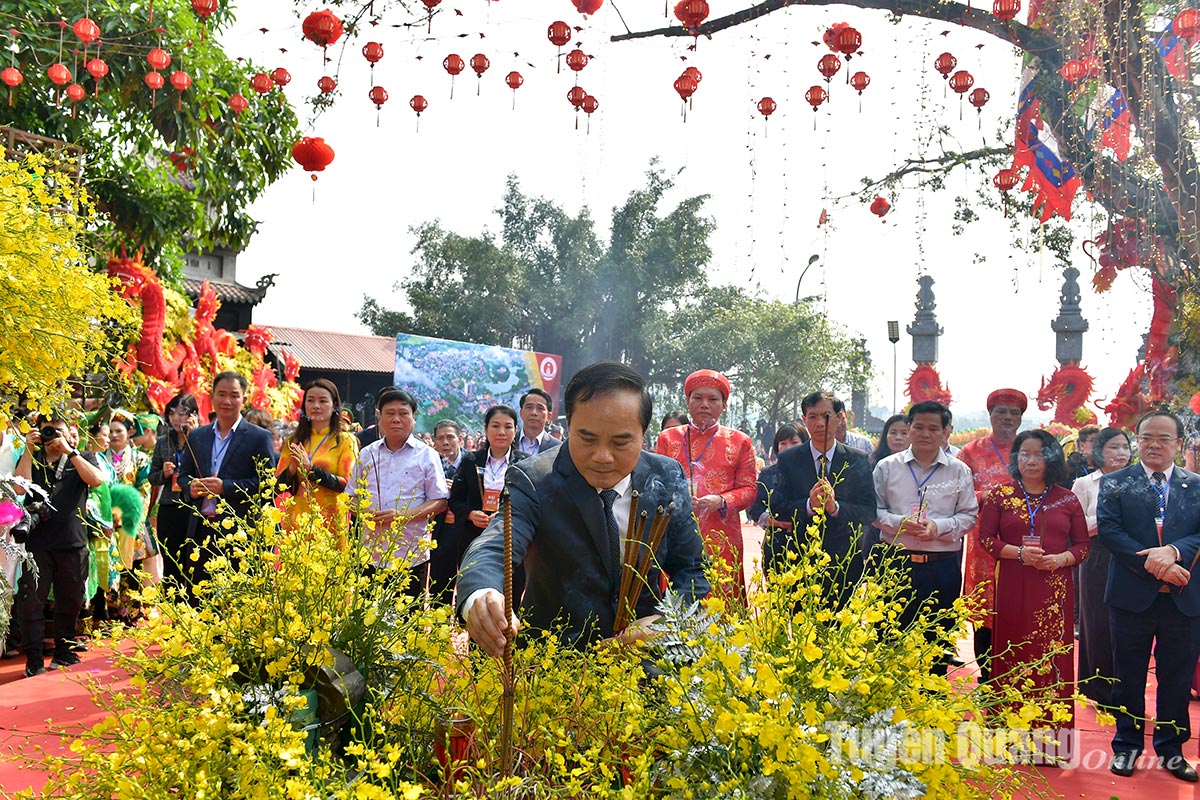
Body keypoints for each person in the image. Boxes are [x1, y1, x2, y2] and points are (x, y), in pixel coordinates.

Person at [458, 361, 710, 657]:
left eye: (620, 442)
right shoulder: (535, 478)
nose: (602, 456)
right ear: (567, 427)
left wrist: (668, 621)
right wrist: (481, 593)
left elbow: (692, 569)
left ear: (643, 434)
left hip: (644, 661)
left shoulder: (666, 476)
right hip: (557, 661)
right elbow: (495, 543)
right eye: (587, 439)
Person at [1099, 411, 1200, 782]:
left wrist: (1173, 552)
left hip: (1184, 597)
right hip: (1131, 596)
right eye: (1146, 437)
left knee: (1176, 676)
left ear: (1178, 443)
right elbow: (1111, 533)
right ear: (1136, 440)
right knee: (1128, 675)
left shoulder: (1197, 485)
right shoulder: (1116, 483)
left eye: (1163, 438)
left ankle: (1172, 749)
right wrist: (1158, 567)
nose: (1154, 445)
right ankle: (1127, 746)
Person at [978, 430, 1088, 745]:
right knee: (1011, 649)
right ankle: (1007, 736)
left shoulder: (1067, 498)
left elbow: (1083, 546)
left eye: (1038, 454)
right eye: (1024, 454)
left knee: (1050, 654)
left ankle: (1050, 739)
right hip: (1012, 582)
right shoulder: (1000, 495)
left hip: (1054, 587)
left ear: (1052, 458)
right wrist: (1020, 553)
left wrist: (1060, 560)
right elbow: (987, 540)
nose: (1030, 460)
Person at [872, 401, 978, 673]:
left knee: (937, 641)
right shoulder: (887, 467)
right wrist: (900, 524)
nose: (925, 434)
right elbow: (872, 511)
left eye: (933, 428)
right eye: (918, 427)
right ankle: (888, 709)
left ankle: (932, 704)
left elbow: (969, 515)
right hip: (896, 563)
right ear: (908, 428)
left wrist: (938, 527)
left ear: (946, 431)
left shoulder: (959, 470)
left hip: (942, 566)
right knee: (890, 638)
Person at [14, 413, 105, 677]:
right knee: (31, 601)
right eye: (47, 431)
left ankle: (63, 652)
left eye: (58, 430)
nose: (53, 435)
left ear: (69, 431)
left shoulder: (82, 457)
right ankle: (33, 659)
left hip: (73, 542)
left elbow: (97, 480)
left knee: (71, 600)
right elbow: (20, 488)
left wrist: (71, 451)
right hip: (38, 544)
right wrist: (29, 448)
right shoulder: (34, 458)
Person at [655, 370, 757, 603]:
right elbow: (657, 484)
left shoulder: (740, 441)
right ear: (688, 402)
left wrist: (720, 501)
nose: (704, 405)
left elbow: (749, 490)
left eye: (713, 399)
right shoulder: (667, 439)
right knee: (678, 602)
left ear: (724, 406)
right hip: (676, 534)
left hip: (722, 536)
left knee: (722, 604)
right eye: (697, 398)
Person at [765, 391, 876, 607]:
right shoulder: (789, 458)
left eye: (826, 416)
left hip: (843, 562)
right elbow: (777, 506)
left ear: (840, 418)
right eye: (812, 416)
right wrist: (808, 506)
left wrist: (835, 508)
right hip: (798, 559)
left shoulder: (857, 460)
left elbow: (868, 511)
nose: (818, 423)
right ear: (804, 420)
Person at [177, 372, 276, 588]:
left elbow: (268, 484)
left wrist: (226, 487)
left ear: (243, 399)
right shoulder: (197, 436)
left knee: (237, 598)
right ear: (213, 397)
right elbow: (183, 476)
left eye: (234, 395)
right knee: (199, 595)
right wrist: (190, 488)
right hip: (201, 529)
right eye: (221, 394)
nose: (227, 401)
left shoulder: (259, 437)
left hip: (239, 532)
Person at [957, 387, 1026, 682]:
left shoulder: (1032, 448)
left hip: (1026, 541)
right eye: (1001, 411)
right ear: (990, 415)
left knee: (1021, 603)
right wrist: (989, 495)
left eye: (1014, 413)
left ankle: (1017, 672)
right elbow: (956, 495)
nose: (1007, 418)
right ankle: (987, 673)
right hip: (984, 544)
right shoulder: (970, 452)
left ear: (1021, 419)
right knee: (985, 606)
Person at [348, 388, 448, 589]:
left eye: (403, 413)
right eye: (390, 413)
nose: (396, 419)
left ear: (413, 418)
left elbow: (440, 501)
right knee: (367, 617)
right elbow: (350, 496)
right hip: (370, 554)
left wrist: (402, 517)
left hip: (409, 555)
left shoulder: (427, 455)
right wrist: (365, 512)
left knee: (405, 618)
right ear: (380, 417)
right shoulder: (367, 454)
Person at [1071, 426, 1131, 706]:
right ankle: (1099, 689)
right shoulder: (1085, 484)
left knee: (1130, 625)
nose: (1121, 454)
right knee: (1097, 623)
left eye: (1124, 447)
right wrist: (1107, 521)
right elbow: (1076, 527)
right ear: (1099, 452)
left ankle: (1126, 688)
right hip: (1097, 556)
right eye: (1113, 448)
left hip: (1131, 557)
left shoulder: (1138, 482)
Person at [449, 405, 530, 594]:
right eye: (495, 426)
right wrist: (470, 514)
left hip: (511, 540)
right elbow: (455, 500)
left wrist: (505, 516)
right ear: (486, 429)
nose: (501, 432)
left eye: (508, 427)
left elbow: (529, 504)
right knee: (475, 594)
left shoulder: (525, 464)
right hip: (473, 537)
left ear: (515, 430)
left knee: (509, 598)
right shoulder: (470, 461)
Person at [276, 379, 358, 531]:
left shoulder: (345, 441)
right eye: (311, 400)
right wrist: (292, 470)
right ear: (304, 405)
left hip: (330, 523)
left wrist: (311, 470)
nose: (316, 406)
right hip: (297, 522)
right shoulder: (293, 441)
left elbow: (348, 485)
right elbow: (275, 487)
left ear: (334, 405)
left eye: (323, 401)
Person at [148, 393, 200, 592]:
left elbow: (207, 470)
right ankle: (173, 607)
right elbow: (152, 477)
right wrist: (165, 473)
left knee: (193, 560)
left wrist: (194, 437)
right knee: (171, 560)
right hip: (170, 506)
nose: (177, 419)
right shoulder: (163, 442)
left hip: (194, 505)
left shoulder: (202, 438)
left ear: (193, 415)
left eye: (182, 414)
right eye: (172, 414)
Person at [517, 388, 561, 455]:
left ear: (549, 416)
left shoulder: (557, 448)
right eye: (529, 407)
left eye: (540, 408)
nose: (534, 413)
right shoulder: (508, 441)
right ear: (521, 413)